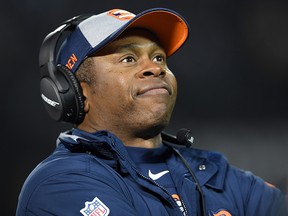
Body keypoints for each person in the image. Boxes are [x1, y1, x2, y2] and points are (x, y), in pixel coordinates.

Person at [16, 8, 287, 216]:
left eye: (159, 58)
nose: (156, 68)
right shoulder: (60, 183)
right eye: (128, 59)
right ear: (77, 92)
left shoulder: (213, 171)